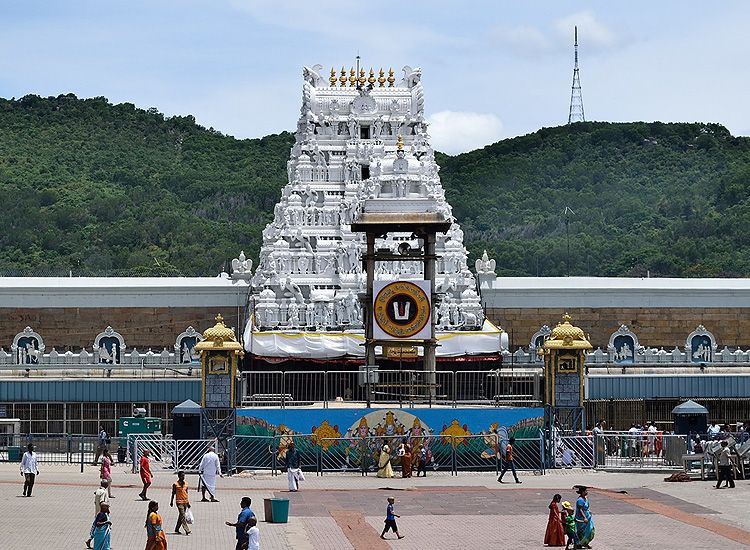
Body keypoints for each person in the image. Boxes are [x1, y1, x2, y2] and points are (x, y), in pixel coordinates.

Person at [170, 470, 191, 535]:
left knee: (181, 516)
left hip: (185, 501)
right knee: (182, 515)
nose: (183, 477)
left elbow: (186, 493)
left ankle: (177, 529)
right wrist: (171, 502)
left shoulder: (186, 484)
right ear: (179, 476)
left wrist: (188, 503)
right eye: (182, 476)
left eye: (184, 476)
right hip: (179, 502)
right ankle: (187, 529)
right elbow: (173, 493)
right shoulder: (175, 484)